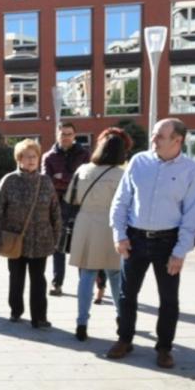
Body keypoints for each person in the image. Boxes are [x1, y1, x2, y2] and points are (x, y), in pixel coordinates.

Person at [106, 118, 195, 369]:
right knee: (127, 296)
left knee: (168, 299)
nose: (153, 140)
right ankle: (124, 339)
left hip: (167, 242)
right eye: (154, 134)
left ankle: (164, 348)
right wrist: (119, 235)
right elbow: (121, 201)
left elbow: (192, 215)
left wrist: (180, 252)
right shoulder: (139, 162)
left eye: (159, 136)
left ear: (177, 140)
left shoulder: (191, 171)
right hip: (134, 239)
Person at [64, 127, 132, 342]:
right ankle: (122, 319)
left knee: (87, 275)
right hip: (113, 226)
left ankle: (81, 323)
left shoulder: (83, 170)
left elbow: (71, 199)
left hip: (85, 224)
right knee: (115, 276)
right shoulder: (123, 174)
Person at [0, 139, 62, 328]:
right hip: (15, 239)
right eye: (27, 157)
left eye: (34, 156)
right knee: (16, 277)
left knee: (39, 280)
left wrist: (57, 236)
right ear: (19, 159)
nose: (31, 160)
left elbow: (55, 211)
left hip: (41, 239)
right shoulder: (9, 180)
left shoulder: (45, 181)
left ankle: (39, 317)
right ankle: (16, 311)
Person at [42, 122, 91, 296]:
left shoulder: (84, 155)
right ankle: (57, 283)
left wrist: (62, 177)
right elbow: (47, 182)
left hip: (79, 204)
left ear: (74, 135)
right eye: (62, 134)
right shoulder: (49, 157)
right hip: (57, 205)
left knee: (80, 245)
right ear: (57, 135)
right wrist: (70, 180)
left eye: (69, 134)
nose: (66, 137)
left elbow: (85, 180)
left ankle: (84, 284)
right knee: (58, 246)